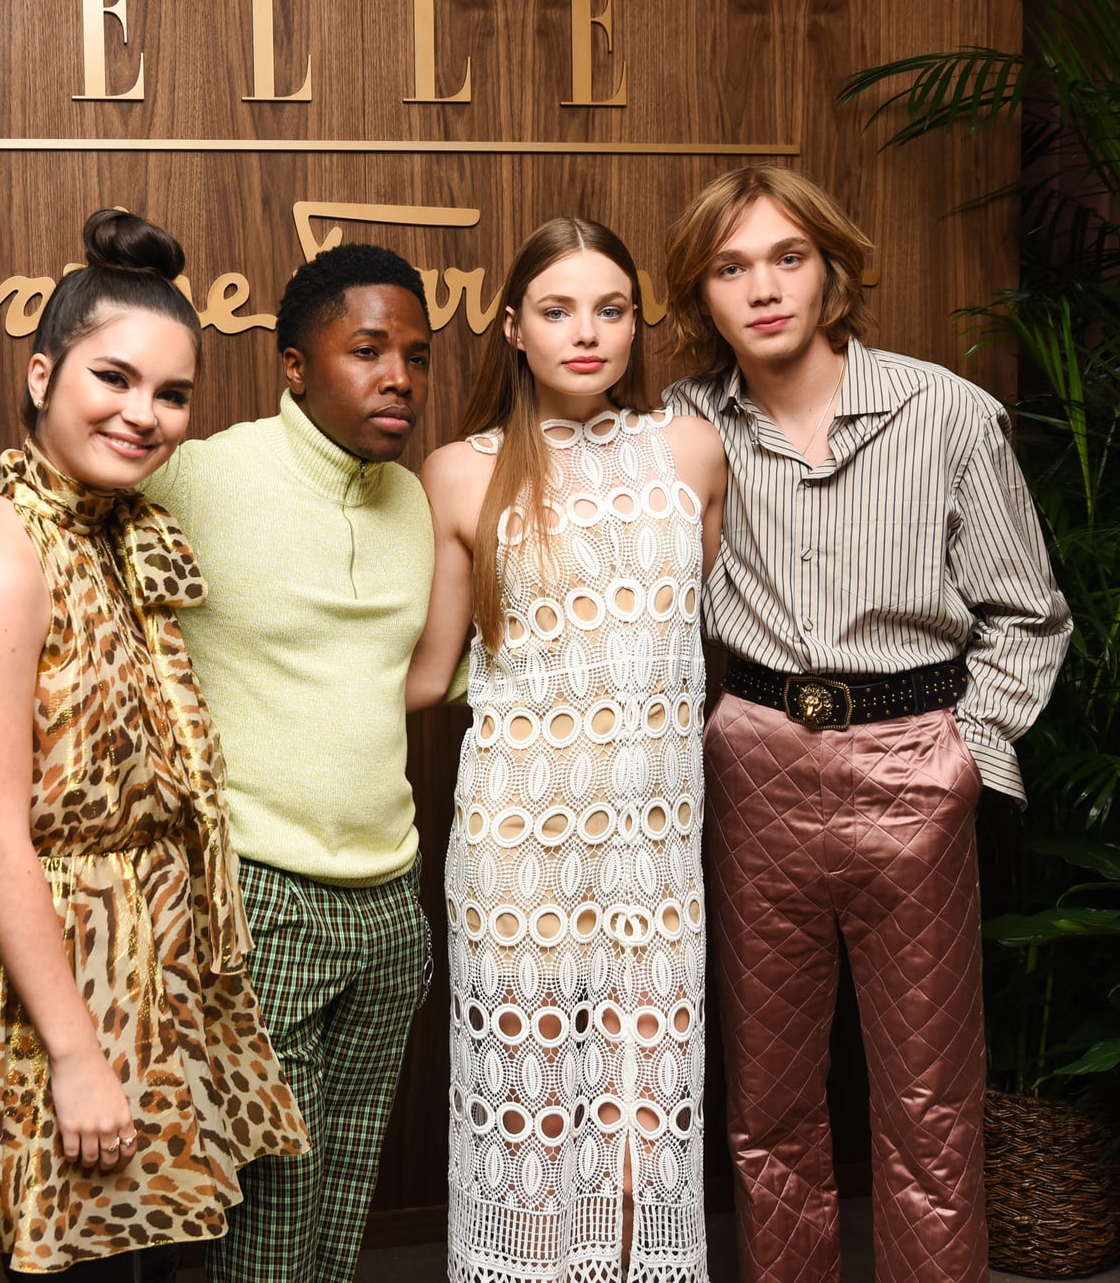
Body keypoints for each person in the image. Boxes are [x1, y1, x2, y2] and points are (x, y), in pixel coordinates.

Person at [660, 167, 1070, 1283]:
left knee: (929, 1106)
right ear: (699, 295)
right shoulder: (682, 427)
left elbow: (1026, 611)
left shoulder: (940, 409)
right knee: (768, 1104)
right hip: (753, 766)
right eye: (728, 267)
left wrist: (964, 758)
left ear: (831, 268)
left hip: (911, 761)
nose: (760, 288)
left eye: (785, 257)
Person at [0, 209, 307, 1280]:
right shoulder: (2, 551)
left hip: (153, 960)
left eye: (170, 394)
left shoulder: (112, 534)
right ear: (41, 375)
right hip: (61, 980)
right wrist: (76, 1055)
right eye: (112, 379)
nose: (143, 414)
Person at [406, 219, 726, 1283]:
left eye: (610, 309)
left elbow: (699, 638)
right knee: (534, 1131)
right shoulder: (457, 471)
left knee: (643, 1133)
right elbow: (427, 670)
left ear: (636, 323)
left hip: (653, 843)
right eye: (556, 310)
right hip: (514, 849)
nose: (585, 332)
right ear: (511, 328)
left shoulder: (687, 448)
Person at [141, 243, 438, 1283]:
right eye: (365, 349)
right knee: (266, 1211)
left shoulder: (412, 502)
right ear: (293, 365)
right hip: (260, 896)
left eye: (413, 352)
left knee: (342, 1194)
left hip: (389, 903)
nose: (396, 374)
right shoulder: (199, 471)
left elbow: (398, 682)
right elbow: (54, 558)